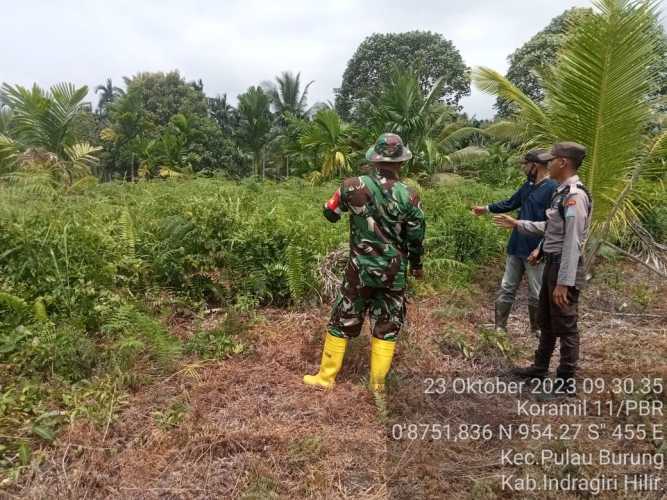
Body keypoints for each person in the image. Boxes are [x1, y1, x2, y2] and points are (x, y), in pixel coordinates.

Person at [303, 133, 426, 392]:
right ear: (401, 162)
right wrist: (416, 265)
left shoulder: (351, 186)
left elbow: (329, 213)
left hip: (359, 270)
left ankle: (326, 378)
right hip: (394, 273)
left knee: (342, 319)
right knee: (387, 324)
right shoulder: (411, 195)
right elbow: (415, 237)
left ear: (374, 160)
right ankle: (377, 385)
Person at [493, 142, 591, 398]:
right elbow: (551, 229)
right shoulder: (560, 193)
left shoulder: (574, 196)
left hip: (563, 267)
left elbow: (572, 242)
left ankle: (566, 382)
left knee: (566, 326)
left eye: (553, 159)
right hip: (552, 262)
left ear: (564, 163)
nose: (548, 164)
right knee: (547, 322)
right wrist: (520, 225)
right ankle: (539, 368)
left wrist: (564, 282)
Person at [472, 150, 557, 336]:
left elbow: (553, 225)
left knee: (536, 291)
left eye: (525, 164)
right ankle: (500, 327)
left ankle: (537, 329)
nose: (524, 168)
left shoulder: (552, 188)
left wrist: (541, 248)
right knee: (507, 287)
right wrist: (485, 209)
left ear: (535, 165)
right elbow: (511, 202)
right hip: (516, 246)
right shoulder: (528, 186)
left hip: (535, 250)